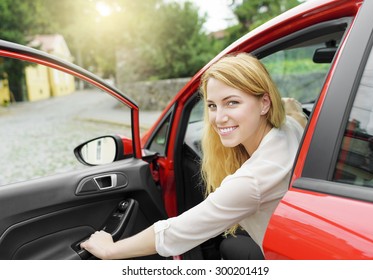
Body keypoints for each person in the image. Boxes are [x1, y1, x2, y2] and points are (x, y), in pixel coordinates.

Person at [80, 52, 306, 260]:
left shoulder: (251, 181)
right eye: (212, 105)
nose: (218, 118)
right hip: (300, 242)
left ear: (264, 103)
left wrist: (110, 250)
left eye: (232, 103)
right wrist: (290, 107)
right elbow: (293, 112)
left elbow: (177, 233)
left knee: (229, 246)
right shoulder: (289, 128)